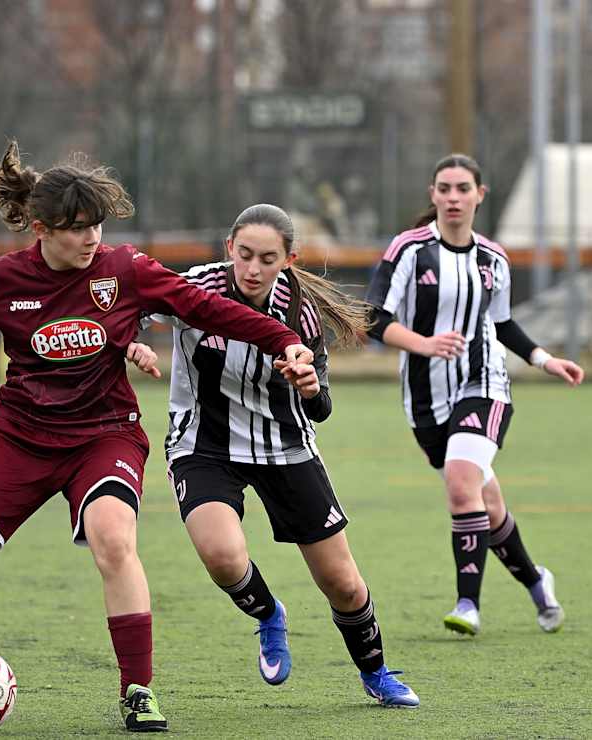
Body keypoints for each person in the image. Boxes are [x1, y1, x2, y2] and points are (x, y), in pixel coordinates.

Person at [0, 141, 315, 732]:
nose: (92, 237)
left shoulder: (126, 270)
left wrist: (280, 339)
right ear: (41, 229)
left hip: (104, 436)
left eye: (97, 224)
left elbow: (205, 308)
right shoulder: (1, 279)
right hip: (19, 434)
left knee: (113, 539)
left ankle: (138, 690)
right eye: (76, 228)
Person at [145, 204, 418, 707]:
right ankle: (269, 615)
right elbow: (128, 307)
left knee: (343, 583)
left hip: (284, 445)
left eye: (267, 259)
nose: (253, 268)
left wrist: (310, 386)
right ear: (229, 248)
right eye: (244, 254)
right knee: (223, 557)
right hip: (203, 444)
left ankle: (376, 673)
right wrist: (128, 345)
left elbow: (322, 409)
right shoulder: (195, 288)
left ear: (289, 259)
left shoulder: (300, 314)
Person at [364, 154, 585, 637]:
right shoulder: (409, 249)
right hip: (424, 396)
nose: (453, 197)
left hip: (484, 383)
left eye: (463, 188)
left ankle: (468, 604)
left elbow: (502, 324)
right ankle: (536, 581)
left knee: (462, 485)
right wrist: (425, 344)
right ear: (433, 194)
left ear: (479, 195)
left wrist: (545, 359)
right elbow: (372, 318)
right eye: (444, 188)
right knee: (487, 502)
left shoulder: (493, 258)